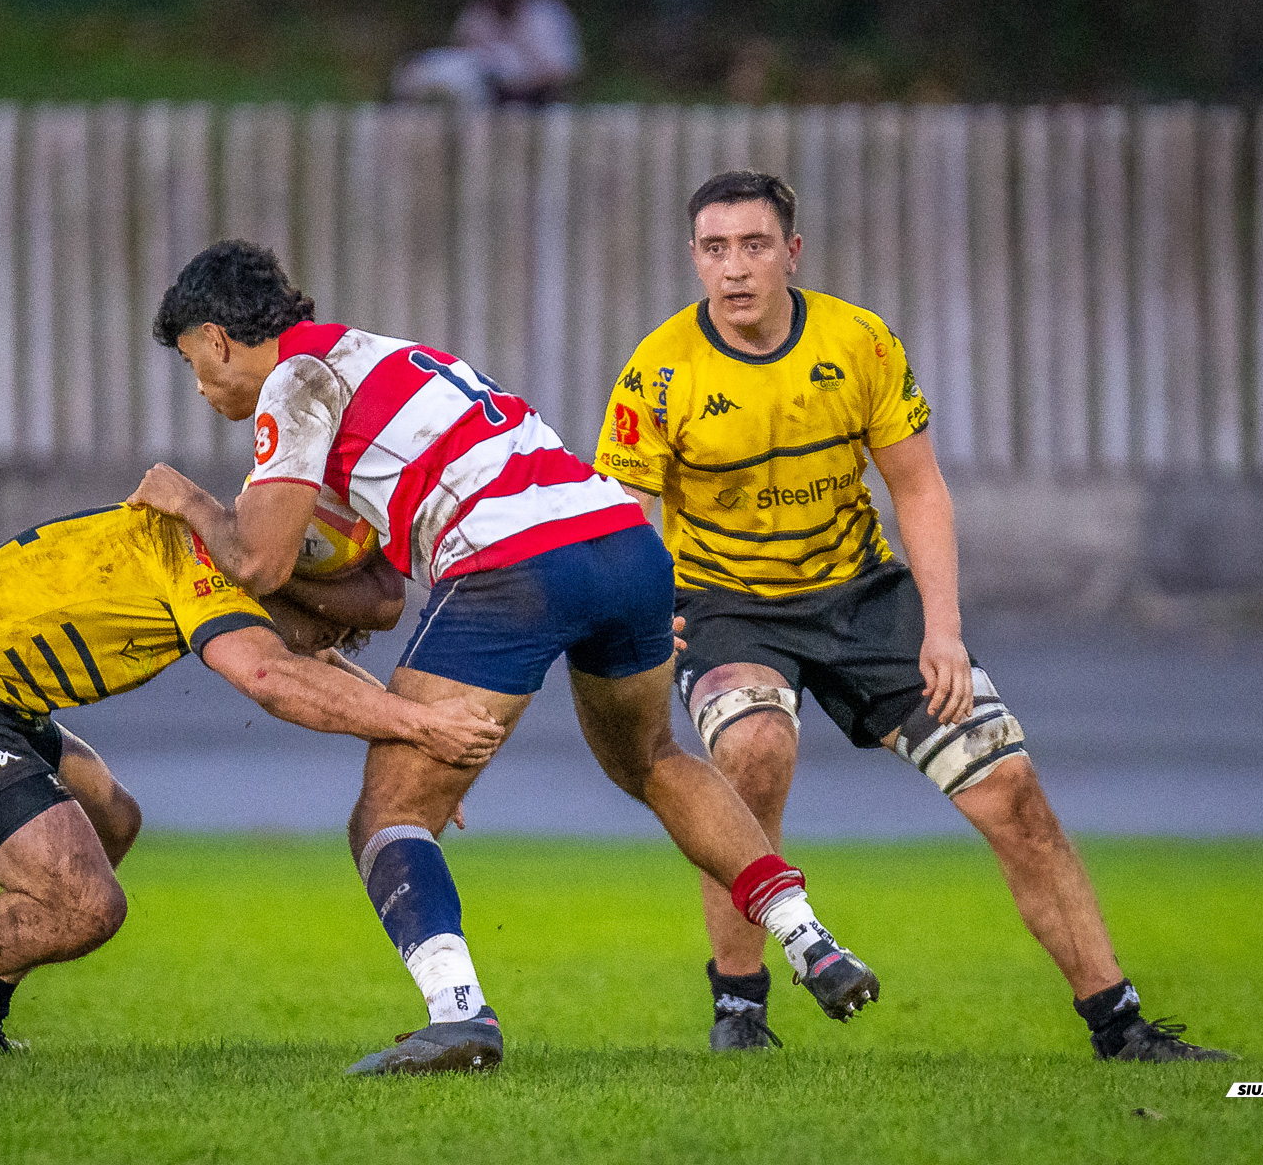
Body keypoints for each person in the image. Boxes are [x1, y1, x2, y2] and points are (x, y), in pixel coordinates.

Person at [135, 239, 881, 1077]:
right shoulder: (382, 359)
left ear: (219, 337)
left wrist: (188, 499)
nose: (203, 388)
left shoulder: (294, 383)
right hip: (625, 548)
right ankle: (807, 937)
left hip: (514, 566)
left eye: (198, 365)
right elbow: (380, 596)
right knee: (654, 759)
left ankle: (459, 1016)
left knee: (386, 817)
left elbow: (262, 562)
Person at [592, 169, 1235, 1062]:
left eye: (754, 245)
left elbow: (919, 488)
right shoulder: (657, 370)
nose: (734, 268)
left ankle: (1121, 1026)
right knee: (749, 753)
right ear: (693, 257)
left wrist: (943, 629)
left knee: (1013, 791)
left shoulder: (859, 342)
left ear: (791, 253)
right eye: (714, 248)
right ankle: (740, 1009)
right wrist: (638, 609)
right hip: (726, 606)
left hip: (863, 598)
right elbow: (621, 513)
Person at [0, 500, 504, 1057]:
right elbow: (270, 674)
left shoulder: (211, 547)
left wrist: (407, 740)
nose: (337, 642)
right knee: (84, 907)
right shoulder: (205, 564)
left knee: (112, 821)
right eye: (335, 624)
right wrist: (422, 727)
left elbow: (298, 665)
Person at [391, 0, 582, 105]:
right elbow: (461, 54)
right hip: (483, 98)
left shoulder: (545, 14)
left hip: (535, 101)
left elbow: (562, 72)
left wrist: (517, 86)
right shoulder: (478, 12)